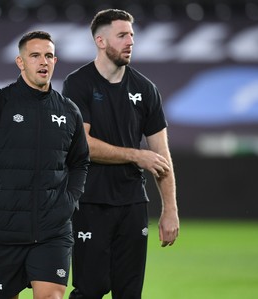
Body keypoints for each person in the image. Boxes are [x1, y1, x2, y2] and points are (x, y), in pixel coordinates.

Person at [0, 31, 89, 299]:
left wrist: (69, 200)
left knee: (52, 296)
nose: (43, 62)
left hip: (53, 229)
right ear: (20, 62)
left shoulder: (68, 110)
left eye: (48, 55)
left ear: (55, 60)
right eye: (35, 55)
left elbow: (80, 161)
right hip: (3, 229)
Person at [62, 9, 180, 299]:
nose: (131, 42)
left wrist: (170, 209)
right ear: (101, 41)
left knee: (129, 293)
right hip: (90, 202)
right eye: (122, 35)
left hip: (132, 204)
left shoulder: (145, 90)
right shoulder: (78, 84)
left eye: (132, 35)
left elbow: (161, 154)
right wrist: (136, 156)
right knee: (91, 289)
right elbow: (84, 145)